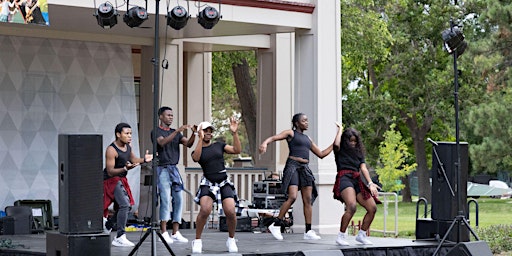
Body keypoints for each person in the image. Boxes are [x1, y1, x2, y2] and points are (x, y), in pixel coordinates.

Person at [259, 113, 334, 240]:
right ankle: (276, 224)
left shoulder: (308, 139)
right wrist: (265, 143)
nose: (307, 122)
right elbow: (275, 137)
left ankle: (308, 231)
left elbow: (321, 154)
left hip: (305, 168)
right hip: (293, 165)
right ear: (296, 123)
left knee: (308, 200)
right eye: (304, 120)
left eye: (307, 120)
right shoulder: (291, 133)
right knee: (292, 196)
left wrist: (334, 144)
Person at [191, 117, 241, 253]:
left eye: (210, 131)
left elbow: (237, 150)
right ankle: (197, 240)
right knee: (205, 210)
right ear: (200, 132)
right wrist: (199, 139)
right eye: (205, 130)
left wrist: (234, 133)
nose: (208, 133)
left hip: (223, 182)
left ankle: (231, 239)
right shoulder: (198, 148)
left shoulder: (218, 145)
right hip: (208, 182)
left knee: (230, 211)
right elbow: (196, 158)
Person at [151, 106, 196, 244]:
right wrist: (177, 131)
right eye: (168, 115)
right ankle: (164, 231)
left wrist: (194, 134)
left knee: (179, 199)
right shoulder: (156, 131)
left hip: (173, 169)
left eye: (172, 115)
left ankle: (176, 232)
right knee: (165, 199)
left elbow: (188, 144)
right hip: (162, 168)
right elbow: (162, 142)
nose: (171, 117)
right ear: (161, 117)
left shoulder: (175, 133)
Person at [103, 122, 152, 247]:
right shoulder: (111, 150)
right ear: (118, 134)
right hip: (110, 180)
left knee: (125, 206)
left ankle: (108, 225)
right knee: (125, 205)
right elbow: (110, 171)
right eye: (127, 133)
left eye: (131, 133)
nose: (130, 136)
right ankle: (120, 236)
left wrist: (144, 160)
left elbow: (134, 160)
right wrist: (125, 169)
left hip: (120, 179)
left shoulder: (128, 147)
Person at [332, 125, 380, 246]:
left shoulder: (359, 153)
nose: (353, 143)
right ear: (345, 140)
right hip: (344, 178)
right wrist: (340, 130)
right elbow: (336, 144)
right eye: (350, 141)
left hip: (356, 180)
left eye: (355, 141)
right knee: (352, 207)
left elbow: (363, 168)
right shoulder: (340, 150)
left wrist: (370, 183)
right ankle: (341, 236)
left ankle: (362, 235)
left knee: (372, 208)